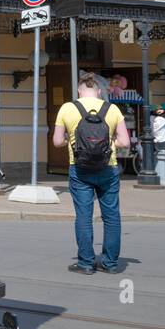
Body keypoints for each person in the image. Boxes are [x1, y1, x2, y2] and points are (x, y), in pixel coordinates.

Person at [53, 73, 131, 275]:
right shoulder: (112, 109)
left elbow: (56, 141)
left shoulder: (68, 108)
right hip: (108, 167)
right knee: (112, 216)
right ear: (98, 91)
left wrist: (71, 142)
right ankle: (110, 264)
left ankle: (86, 264)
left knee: (84, 217)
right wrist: (108, 142)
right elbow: (124, 143)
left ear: (79, 91)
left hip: (79, 168)